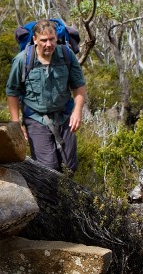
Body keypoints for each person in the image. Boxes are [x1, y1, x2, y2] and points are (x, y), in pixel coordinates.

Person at [6, 19, 86, 172]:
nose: (48, 44)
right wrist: (16, 123)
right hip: (36, 118)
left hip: (64, 115)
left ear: (57, 38)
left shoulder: (66, 55)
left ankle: (67, 196)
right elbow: (12, 92)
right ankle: (47, 196)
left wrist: (77, 111)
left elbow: (79, 86)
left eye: (52, 39)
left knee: (70, 167)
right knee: (48, 168)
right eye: (43, 40)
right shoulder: (23, 60)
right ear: (35, 40)